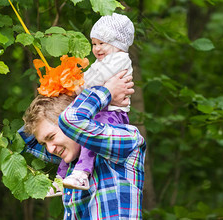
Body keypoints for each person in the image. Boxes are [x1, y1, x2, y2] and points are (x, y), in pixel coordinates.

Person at [18, 71, 146, 219]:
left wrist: (106, 91)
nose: (50, 149)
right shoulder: (74, 164)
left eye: (51, 137)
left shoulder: (125, 138)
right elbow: (25, 138)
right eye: (44, 143)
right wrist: (64, 89)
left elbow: (73, 119)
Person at [57, 13, 135, 190]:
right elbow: (93, 75)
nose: (97, 48)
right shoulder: (103, 61)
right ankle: (61, 178)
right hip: (99, 110)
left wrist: (78, 86)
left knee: (88, 138)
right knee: (73, 136)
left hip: (112, 114)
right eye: (94, 44)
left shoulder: (119, 59)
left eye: (102, 43)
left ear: (118, 44)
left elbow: (96, 77)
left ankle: (82, 174)